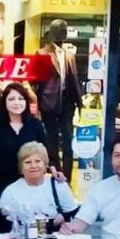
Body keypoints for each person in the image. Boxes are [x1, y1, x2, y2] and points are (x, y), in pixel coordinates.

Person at [32, 19, 83, 180]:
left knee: (68, 139)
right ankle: (56, 173)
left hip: (67, 103)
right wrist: (37, 105)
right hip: (49, 103)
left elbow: (74, 80)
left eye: (65, 29)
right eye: (60, 30)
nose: (63, 32)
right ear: (52, 32)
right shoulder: (41, 53)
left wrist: (80, 103)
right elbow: (36, 81)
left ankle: (67, 175)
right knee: (52, 140)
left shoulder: (69, 54)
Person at [0, 82, 49, 202]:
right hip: (6, 185)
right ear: (5, 102)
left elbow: (47, 153)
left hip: (33, 185)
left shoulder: (35, 125)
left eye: (21, 99)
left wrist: (53, 169)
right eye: (11, 99)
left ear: (26, 101)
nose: (16, 103)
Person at [0, 142, 77, 232]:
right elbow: (0, 225)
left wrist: (63, 217)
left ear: (45, 165)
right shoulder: (10, 191)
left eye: (38, 161)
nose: (33, 166)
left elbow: (73, 213)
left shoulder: (58, 185)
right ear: (21, 168)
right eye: (28, 162)